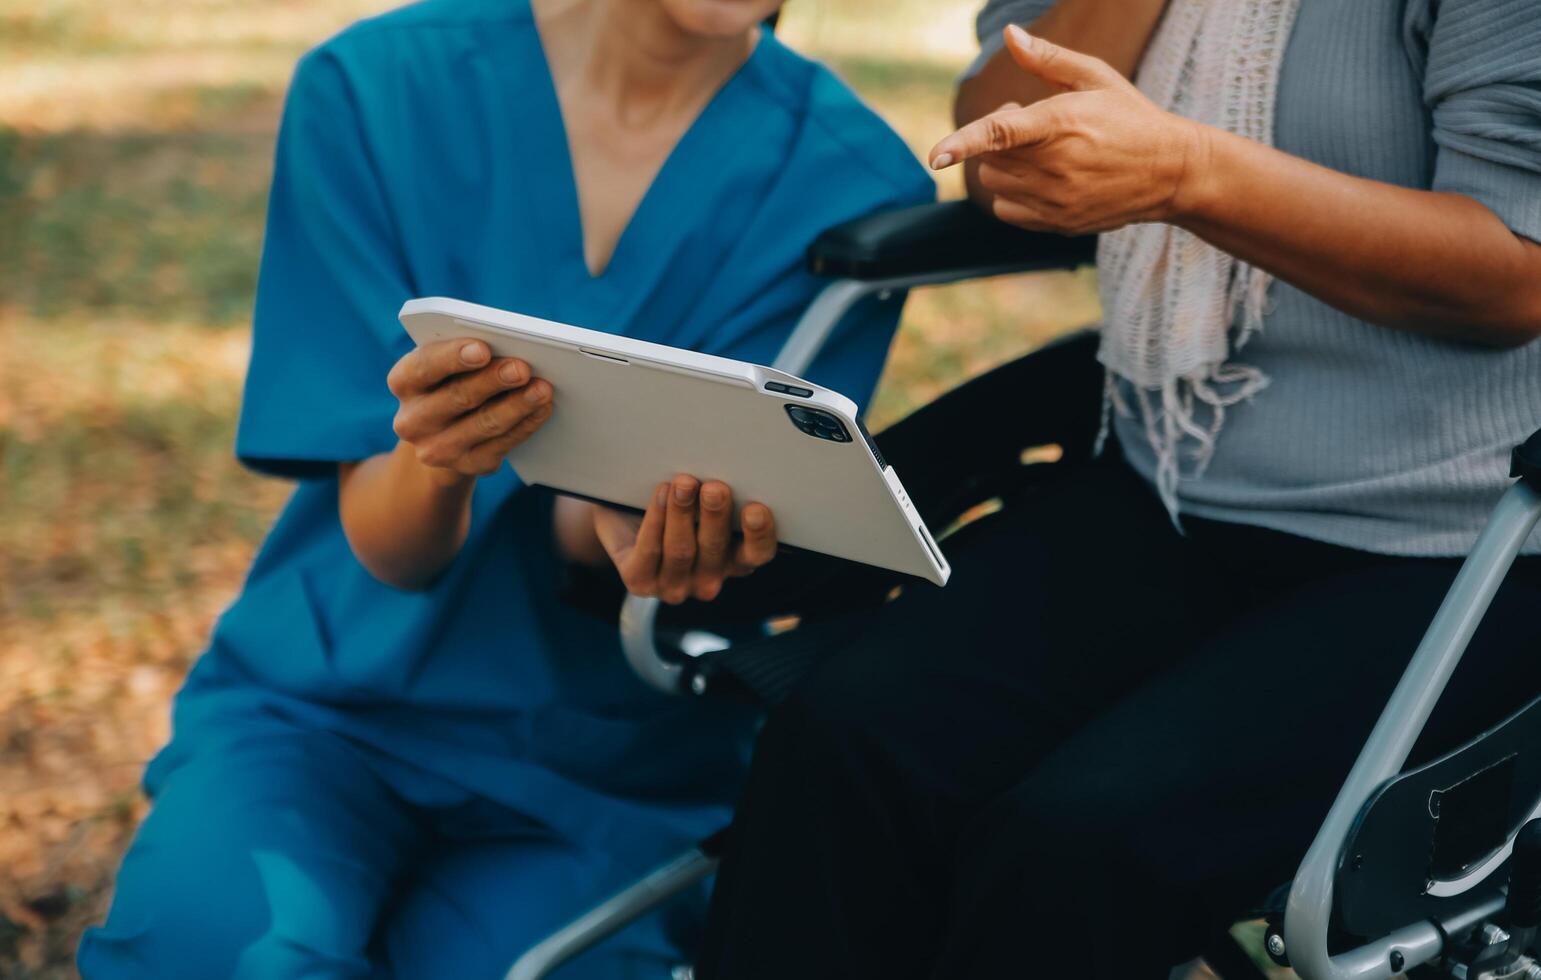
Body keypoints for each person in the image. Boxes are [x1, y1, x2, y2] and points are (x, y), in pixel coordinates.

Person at [77, 0, 932, 975]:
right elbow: (391, 543)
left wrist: (637, 529)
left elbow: (596, 529)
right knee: (210, 953)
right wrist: (437, 456)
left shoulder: (846, 183)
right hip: (329, 706)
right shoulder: (376, 90)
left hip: (612, 756)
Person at [695, 1, 1541, 978]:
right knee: (844, 737)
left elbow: (1512, 272)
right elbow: (993, 148)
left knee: (1079, 840)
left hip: (1451, 536)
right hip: (1172, 476)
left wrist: (1192, 174)